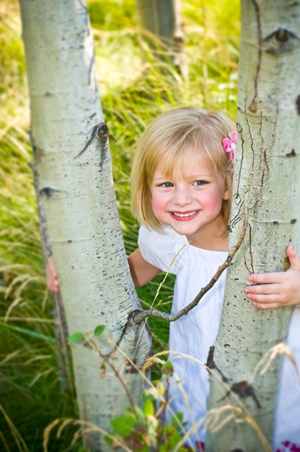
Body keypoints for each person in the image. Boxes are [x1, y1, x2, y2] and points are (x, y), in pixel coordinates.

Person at [47, 107, 300, 451]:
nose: (182, 199)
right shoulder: (167, 239)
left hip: (277, 387)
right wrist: (74, 272)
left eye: (199, 182)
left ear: (228, 184)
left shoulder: (271, 238)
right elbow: (126, 275)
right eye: (166, 184)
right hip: (197, 379)